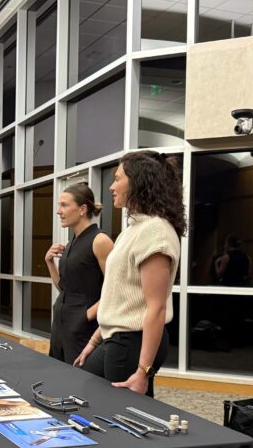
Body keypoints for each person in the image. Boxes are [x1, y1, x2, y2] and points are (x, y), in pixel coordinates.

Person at [73, 151, 185, 398]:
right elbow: (121, 297)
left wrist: (143, 371)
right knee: (87, 393)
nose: (112, 186)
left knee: (118, 418)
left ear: (138, 181)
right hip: (117, 337)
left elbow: (156, 308)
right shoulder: (134, 229)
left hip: (133, 341)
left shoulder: (155, 231)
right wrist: (94, 342)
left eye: (117, 179)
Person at [45, 182, 113, 364]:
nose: (59, 211)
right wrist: (49, 262)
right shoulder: (72, 242)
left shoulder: (100, 240)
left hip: (83, 326)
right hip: (61, 323)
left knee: (80, 383)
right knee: (58, 377)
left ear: (82, 209)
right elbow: (65, 288)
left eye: (64, 205)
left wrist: (86, 315)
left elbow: (115, 289)